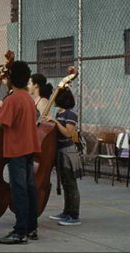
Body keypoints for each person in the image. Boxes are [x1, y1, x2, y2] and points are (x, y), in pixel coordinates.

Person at [0, 61, 41, 244]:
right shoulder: (27, 98)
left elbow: (0, 124)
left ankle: (20, 231)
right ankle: (32, 228)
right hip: (30, 147)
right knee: (29, 189)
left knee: (19, 191)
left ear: (10, 79)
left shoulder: (12, 99)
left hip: (17, 149)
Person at [43, 88, 82, 226]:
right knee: (65, 183)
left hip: (67, 151)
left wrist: (55, 121)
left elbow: (67, 133)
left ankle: (74, 215)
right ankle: (66, 211)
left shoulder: (70, 114)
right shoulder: (59, 113)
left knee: (71, 184)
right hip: (59, 151)